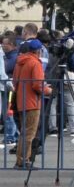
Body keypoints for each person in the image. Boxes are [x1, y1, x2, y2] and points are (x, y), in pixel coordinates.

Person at [12, 39, 51, 168]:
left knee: (24, 132)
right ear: (39, 51)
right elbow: (38, 85)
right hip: (32, 101)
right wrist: (49, 90)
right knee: (29, 133)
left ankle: (20, 160)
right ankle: (24, 160)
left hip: (21, 100)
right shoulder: (35, 63)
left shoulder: (20, 62)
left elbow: (15, 81)